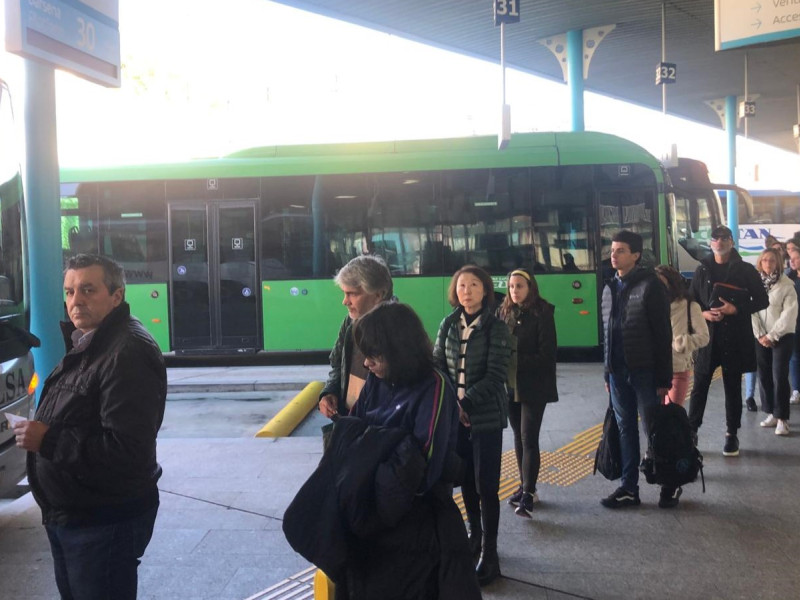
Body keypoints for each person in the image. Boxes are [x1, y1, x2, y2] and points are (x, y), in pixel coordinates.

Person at [283, 303, 481, 600]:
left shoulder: (434, 386)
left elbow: (424, 471)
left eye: (373, 356)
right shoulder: (376, 381)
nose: (366, 364)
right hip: (370, 517)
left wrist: (372, 460)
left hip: (415, 526)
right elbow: (354, 437)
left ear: (398, 350)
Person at [11, 254, 166, 600]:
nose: (75, 300)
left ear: (117, 295)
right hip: (78, 517)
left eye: (88, 290)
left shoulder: (126, 353)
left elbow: (127, 451)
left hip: (104, 522)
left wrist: (48, 441)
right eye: (69, 291)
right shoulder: (92, 341)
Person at [434, 265, 512, 586]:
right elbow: (438, 364)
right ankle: (474, 537)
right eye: (462, 285)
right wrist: (453, 403)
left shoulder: (496, 328)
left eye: (474, 284)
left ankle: (490, 554)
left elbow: (496, 375)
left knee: (487, 485)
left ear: (485, 290)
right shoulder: (449, 324)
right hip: (457, 418)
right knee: (465, 479)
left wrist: (467, 403)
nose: (467, 290)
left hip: (486, 419)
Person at [600, 231, 672, 509]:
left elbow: (662, 334)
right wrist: (607, 371)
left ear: (636, 255)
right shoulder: (609, 287)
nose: (613, 255)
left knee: (654, 429)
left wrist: (664, 378)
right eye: (613, 250)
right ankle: (629, 487)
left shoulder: (651, 286)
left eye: (620, 250)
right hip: (617, 372)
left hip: (645, 372)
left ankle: (669, 482)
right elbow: (608, 333)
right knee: (624, 429)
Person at [688, 225, 769, 457]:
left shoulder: (745, 270)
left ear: (732, 243)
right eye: (716, 239)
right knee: (700, 386)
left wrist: (736, 309)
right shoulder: (702, 270)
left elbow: (762, 300)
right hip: (708, 337)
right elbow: (692, 301)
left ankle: (731, 434)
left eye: (725, 239)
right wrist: (703, 314)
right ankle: (692, 431)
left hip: (735, 336)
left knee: (732, 387)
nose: (720, 242)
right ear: (710, 243)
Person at [497, 268, 558, 517]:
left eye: (520, 286)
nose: (514, 291)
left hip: (534, 386)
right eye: (511, 287)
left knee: (528, 437)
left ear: (530, 287)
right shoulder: (504, 312)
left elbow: (547, 355)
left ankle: (529, 493)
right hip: (510, 386)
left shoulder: (542, 313)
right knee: (518, 437)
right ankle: (524, 486)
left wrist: (513, 359)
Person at [318, 255, 393, 418]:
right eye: (344, 293)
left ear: (378, 294)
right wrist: (330, 392)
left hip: (382, 425)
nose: (345, 301)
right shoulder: (349, 322)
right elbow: (337, 365)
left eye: (352, 294)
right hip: (350, 419)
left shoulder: (401, 327)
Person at [751, 248, 798, 436]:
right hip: (760, 337)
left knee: (779, 375)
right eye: (764, 261)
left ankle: (782, 419)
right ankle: (770, 412)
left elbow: (789, 314)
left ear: (778, 262)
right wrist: (760, 334)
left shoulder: (787, 285)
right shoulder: (755, 285)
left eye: (771, 261)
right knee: (764, 375)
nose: (768, 264)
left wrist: (772, 336)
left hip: (782, 336)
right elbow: (751, 310)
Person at [654, 265, 710, 407]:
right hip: (652, 370)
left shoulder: (689, 306)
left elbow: (704, 336)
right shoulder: (650, 306)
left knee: (672, 414)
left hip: (677, 368)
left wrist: (684, 342)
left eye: (661, 282)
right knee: (652, 417)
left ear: (671, 283)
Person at [786, 239, 800, 405]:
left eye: (797, 258)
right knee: (794, 357)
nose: (793, 261)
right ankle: (796, 389)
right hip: (794, 324)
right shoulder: (788, 278)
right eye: (792, 258)